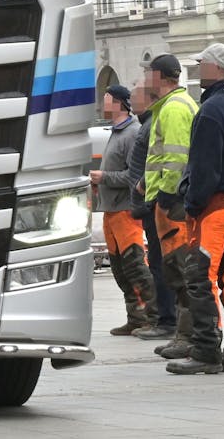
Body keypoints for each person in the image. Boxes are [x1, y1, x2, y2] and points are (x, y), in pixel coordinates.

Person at [167, 43, 224, 376]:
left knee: (199, 278)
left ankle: (206, 350)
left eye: (201, 62)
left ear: (216, 68)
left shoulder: (211, 110)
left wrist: (192, 204)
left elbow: (205, 168)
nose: (198, 68)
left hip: (216, 208)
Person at [142, 54, 200, 360]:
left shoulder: (174, 109)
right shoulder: (178, 105)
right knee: (179, 271)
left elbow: (176, 157)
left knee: (180, 271)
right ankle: (185, 332)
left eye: (148, 75)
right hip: (172, 201)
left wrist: (166, 195)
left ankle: (188, 336)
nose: (145, 81)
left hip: (172, 206)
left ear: (160, 77)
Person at [92, 84, 157, 336]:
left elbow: (134, 174)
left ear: (118, 103)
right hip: (111, 211)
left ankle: (151, 315)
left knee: (135, 266)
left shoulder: (132, 133)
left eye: (106, 98)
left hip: (126, 211)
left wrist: (104, 177)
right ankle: (135, 316)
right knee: (120, 269)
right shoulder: (116, 132)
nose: (102, 102)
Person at [129, 81, 177, 341]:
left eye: (134, 94)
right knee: (159, 263)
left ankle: (167, 319)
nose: (130, 99)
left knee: (161, 264)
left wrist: (145, 184)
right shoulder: (148, 123)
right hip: (150, 203)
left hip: (155, 203)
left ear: (147, 98)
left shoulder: (150, 125)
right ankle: (164, 318)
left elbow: (159, 160)